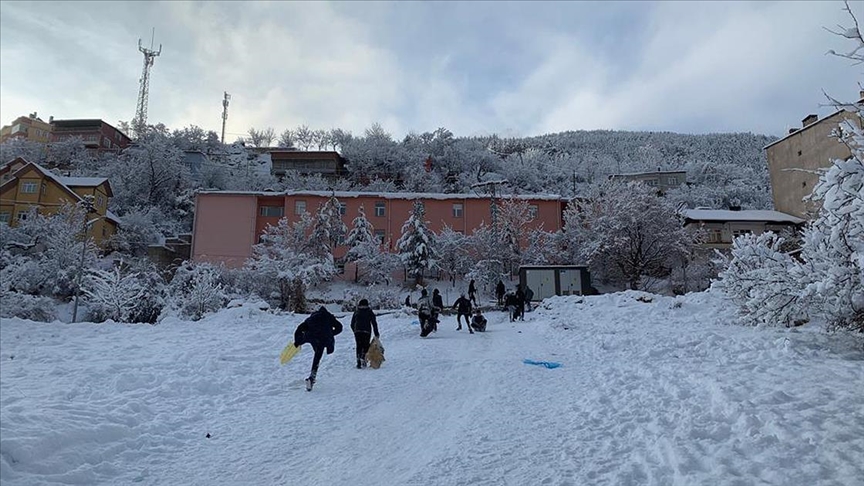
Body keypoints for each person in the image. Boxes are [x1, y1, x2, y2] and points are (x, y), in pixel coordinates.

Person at [293, 306, 343, 391]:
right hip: (323, 338)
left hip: (311, 336)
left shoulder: (313, 317)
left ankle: (298, 343)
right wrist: (330, 333)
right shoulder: (329, 317)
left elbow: (300, 328)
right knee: (317, 356)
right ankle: (312, 377)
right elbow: (339, 327)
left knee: (314, 348)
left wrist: (297, 340)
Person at [350, 299, 380, 369]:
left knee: (359, 346)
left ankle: (358, 361)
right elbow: (374, 323)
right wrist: (376, 333)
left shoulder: (357, 311)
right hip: (366, 331)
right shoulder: (369, 311)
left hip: (357, 331)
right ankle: (364, 359)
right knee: (366, 345)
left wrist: (355, 331)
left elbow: (352, 323)